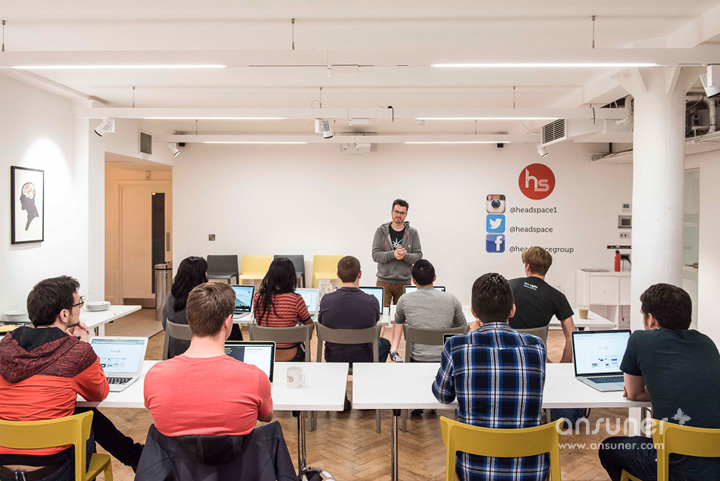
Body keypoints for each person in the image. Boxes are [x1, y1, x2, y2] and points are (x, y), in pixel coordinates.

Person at [0, 276, 143, 481]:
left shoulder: (6, 347)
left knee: (77, 411)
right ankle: (136, 457)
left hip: (3, 466)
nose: (80, 307)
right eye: (79, 303)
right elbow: (99, 393)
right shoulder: (76, 353)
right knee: (85, 417)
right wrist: (83, 346)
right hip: (53, 470)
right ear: (64, 314)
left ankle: (135, 456)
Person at [598, 283, 720, 481]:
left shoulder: (640, 340)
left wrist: (656, 388)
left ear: (651, 318)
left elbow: (634, 393)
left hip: (675, 467)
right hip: (716, 463)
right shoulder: (706, 343)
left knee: (608, 448)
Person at [433, 273, 547, 481]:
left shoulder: (457, 346)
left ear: (474, 312)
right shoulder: (536, 346)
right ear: (512, 310)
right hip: (530, 471)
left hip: (474, 470)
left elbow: (443, 395)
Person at [145, 282, 273, 437]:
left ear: (190, 319)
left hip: (173, 454)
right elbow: (266, 417)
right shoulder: (255, 377)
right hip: (236, 454)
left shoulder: (155, 376)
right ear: (227, 322)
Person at [388, 259, 466, 363]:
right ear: (434, 277)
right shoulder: (451, 299)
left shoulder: (404, 300)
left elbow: (398, 320)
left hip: (416, 359)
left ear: (413, 280)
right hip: (446, 359)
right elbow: (463, 327)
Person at [508, 246, 576, 363]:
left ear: (528, 266)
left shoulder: (507, 286)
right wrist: (562, 364)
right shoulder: (557, 296)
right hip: (537, 358)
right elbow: (571, 337)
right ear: (546, 268)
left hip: (507, 355)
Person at [318, 256, 390, 363]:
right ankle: (371, 371)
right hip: (364, 358)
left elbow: (321, 322)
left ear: (338, 275)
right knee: (385, 344)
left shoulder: (326, 300)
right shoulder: (372, 301)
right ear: (360, 274)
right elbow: (374, 323)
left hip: (333, 358)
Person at [253, 257, 313, 362]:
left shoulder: (258, 298)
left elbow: (259, 321)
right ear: (291, 278)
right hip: (291, 354)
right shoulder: (295, 299)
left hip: (266, 355)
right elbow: (309, 327)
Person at [372, 198, 422, 307]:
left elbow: (418, 256)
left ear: (406, 215)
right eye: (396, 212)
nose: (398, 215)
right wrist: (393, 254)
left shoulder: (413, 233)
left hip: (404, 282)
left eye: (402, 213)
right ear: (392, 212)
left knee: (402, 315)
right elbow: (375, 255)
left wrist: (405, 255)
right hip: (384, 280)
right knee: (381, 314)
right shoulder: (381, 231)